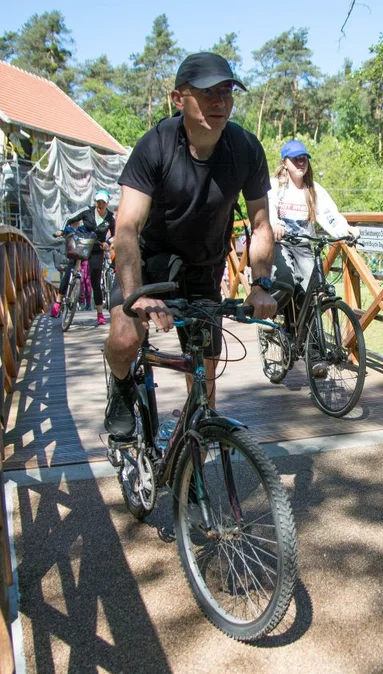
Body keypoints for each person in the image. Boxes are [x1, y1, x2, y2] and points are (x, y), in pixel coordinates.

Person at [104, 52, 278, 437]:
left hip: (205, 265)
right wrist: (137, 296)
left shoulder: (246, 148)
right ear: (178, 99)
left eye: (227, 92)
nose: (220, 102)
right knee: (123, 337)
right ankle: (119, 387)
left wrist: (261, 282)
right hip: (150, 263)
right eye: (207, 93)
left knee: (206, 366)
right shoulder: (156, 145)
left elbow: (262, 223)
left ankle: (193, 459)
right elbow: (128, 227)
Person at [268, 139, 360, 303]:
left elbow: (329, 214)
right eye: (295, 159)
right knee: (284, 281)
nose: (300, 163)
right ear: (284, 163)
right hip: (280, 244)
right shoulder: (275, 186)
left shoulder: (313, 190)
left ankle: (310, 327)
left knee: (315, 287)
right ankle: (272, 317)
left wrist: (345, 230)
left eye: (304, 158)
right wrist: (274, 223)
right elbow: (268, 207)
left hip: (303, 246)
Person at [51, 189, 115, 325]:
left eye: (103, 202)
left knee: (95, 281)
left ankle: (99, 313)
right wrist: (62, 231)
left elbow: (115, 234)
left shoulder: (110, 217)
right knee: (69, 271)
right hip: (81, 244)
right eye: (98, 201)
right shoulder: (87, 211)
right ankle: (58, 302)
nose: (100, 204)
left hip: (97, 249)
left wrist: (107, 242)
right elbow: (69, 219)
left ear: (107, 203)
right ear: (95, 201)